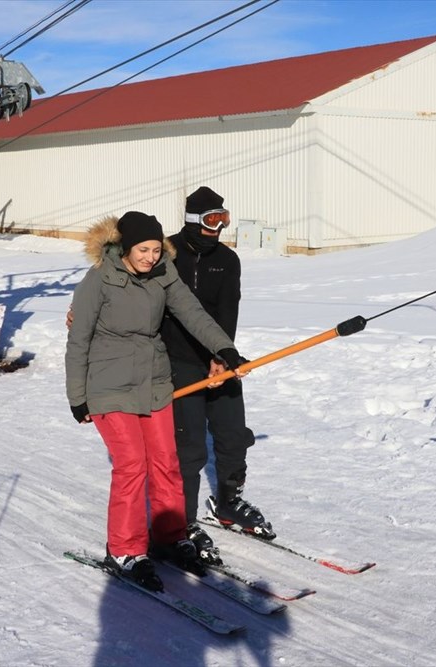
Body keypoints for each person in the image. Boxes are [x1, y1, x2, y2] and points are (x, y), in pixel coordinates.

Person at [65, 211, 246, 591]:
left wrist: (225, 350)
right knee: (132, 465)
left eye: (155, 249)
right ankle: (125, 550)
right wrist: (78, 397)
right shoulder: (99, 280)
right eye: (142, 250)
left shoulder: (164, 272)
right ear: (125, 248)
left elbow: (193, 313)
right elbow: (78, 338)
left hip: (154, 382)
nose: (150, 257)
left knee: (166, 461)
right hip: (109, 385)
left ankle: (168, 535)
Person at [162, 186, 273, 566]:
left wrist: (222, 357)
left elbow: (228, 311)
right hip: (178, 359)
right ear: (194, 221)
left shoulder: (228, 260)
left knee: (232, 433)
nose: (219, 227)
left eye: (223, 219)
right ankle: (184, 520)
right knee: (190, 445)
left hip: (220, 356)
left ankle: (228, 502)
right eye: (212, 220)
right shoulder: (167, 254)